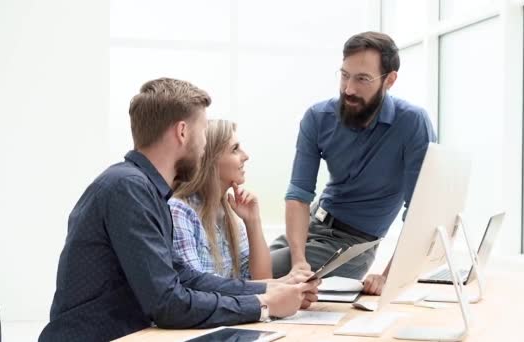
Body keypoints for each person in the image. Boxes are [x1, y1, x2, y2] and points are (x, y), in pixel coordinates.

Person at [39, 78, 319, 342]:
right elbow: (167, 303)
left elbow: (184, 277)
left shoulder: (144, 189)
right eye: (203, 132)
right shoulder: (128, 189)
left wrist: (269, 289)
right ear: (183, 132)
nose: (204, 146)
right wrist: (262, 305)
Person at [270, 31, 436, 295]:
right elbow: (299, 195)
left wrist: (388, 277)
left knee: (248, 271)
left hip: (351, 246)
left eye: (362, 79)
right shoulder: (318, 117)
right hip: (312, 224)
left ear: (390, 80)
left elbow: (421, 212)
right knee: (242, 262)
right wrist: (299, 262)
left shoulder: (413, 123)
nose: (349, 89)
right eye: (345, 75)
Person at [169, 119, 273, 280]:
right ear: (210, 159)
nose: (246, 156)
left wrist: (253, 221)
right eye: (235, 149)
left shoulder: (227, 214)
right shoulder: (179, 212)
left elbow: (262, 280)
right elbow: (199, 289)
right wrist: (281, 288)